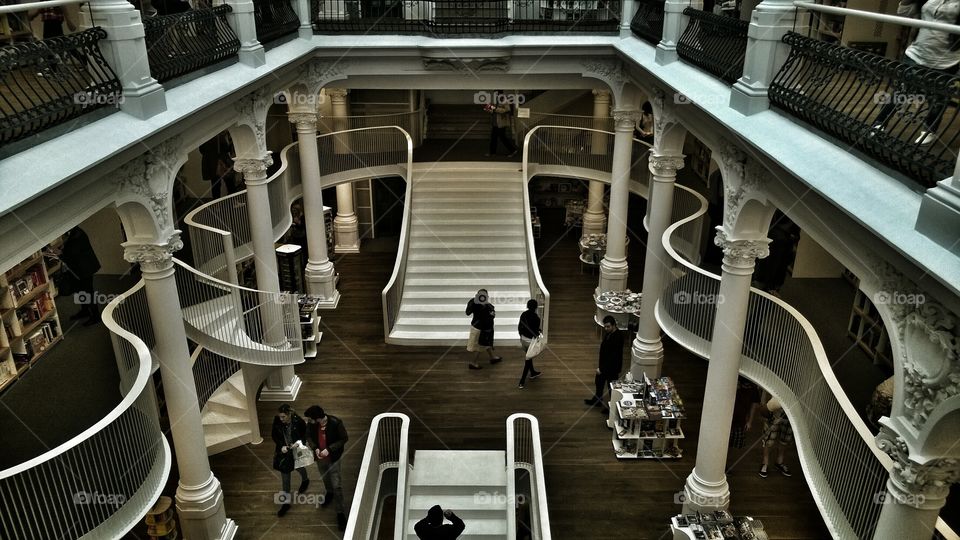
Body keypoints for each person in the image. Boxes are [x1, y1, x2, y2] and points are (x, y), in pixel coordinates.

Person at [872, 0, 960, 146]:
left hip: (946, 60)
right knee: (901, 92)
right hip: (916, 53)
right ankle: (879, 123)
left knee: (937, 99)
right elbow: (903, 11)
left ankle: (928, 131)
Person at [304, 405, 350, 531]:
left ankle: (340, 512)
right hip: (319, 458)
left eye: (310, 419)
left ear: (317, 418)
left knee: (337, 485)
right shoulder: (312, 424)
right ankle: (329, 493)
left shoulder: (335, 423)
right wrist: (315, 448)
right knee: (325, 478)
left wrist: (329, 449)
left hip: (333, 458)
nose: (308, 421)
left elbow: (344, 438)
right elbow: (308, 436)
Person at [272, 404, 310, 517]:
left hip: (296, 450)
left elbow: (304, 435)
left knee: (299, 467)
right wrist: (281, 446)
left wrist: (298, 443)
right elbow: (274, 435)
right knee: (285, 478)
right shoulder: (277, 420)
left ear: (289, 414)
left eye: (283, 416)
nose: (281, 419)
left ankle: (305, 480)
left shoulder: (299, 422)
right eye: (280, 416)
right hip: (284, 452)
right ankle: (286, 503)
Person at [59, 226, 102, 326]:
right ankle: (85, 311)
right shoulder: (76, 232)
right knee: (81, 290)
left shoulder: (76, 236)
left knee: (88, 292)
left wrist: (61, 254)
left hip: (84, 269)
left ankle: (95, 316)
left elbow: (72, 254)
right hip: (82, 268)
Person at [584, 315, 624, 413]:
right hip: (605, 365)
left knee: (611, 388)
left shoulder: (617, 337)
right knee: (599, 382)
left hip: (611, 367)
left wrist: (601, 369)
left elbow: (613, 357)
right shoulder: (610, 333)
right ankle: (597, 400)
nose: (606, 329)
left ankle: (612, 408)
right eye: (605, 326)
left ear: (614, 325)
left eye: (608, 327)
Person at [465, 289, 502, 370]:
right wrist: (474, 302)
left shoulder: (487, 304)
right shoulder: (474, 302)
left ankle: (492, 357)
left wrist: (492, 313)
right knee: (480, 345)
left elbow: (491, 314)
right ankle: (473, 362)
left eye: (485, 295)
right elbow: (468, 312)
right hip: (478, 328)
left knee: (485, 343)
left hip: (485, 328)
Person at [758, 396, 794, 478]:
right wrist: (771, 417)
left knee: (785, 440)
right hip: (774, 414)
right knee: (769, 440)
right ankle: (765, 463)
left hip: (789, 416)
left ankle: (779, 462)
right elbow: (763, 409)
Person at [517, 299, 543, 389]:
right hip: (530, 342)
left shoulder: (523, 314)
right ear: (536, 307)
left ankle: (532, 372)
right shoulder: (536, 318)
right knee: (527, 360)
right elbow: (535, 331)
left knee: (529, 356)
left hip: (523, 340)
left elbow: (519, 327)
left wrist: (521, 336)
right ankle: (522, 381)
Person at [484, 92, 518, 158]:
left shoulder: (504, 101)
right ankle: (492, 153)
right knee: (494, 138)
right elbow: (494, 111)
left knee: (503, 138)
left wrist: (494, 109)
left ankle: (513, 150)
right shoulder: (495, 102)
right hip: (495, 123)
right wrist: (488, 109)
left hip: (501, 123)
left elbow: (507, 110)